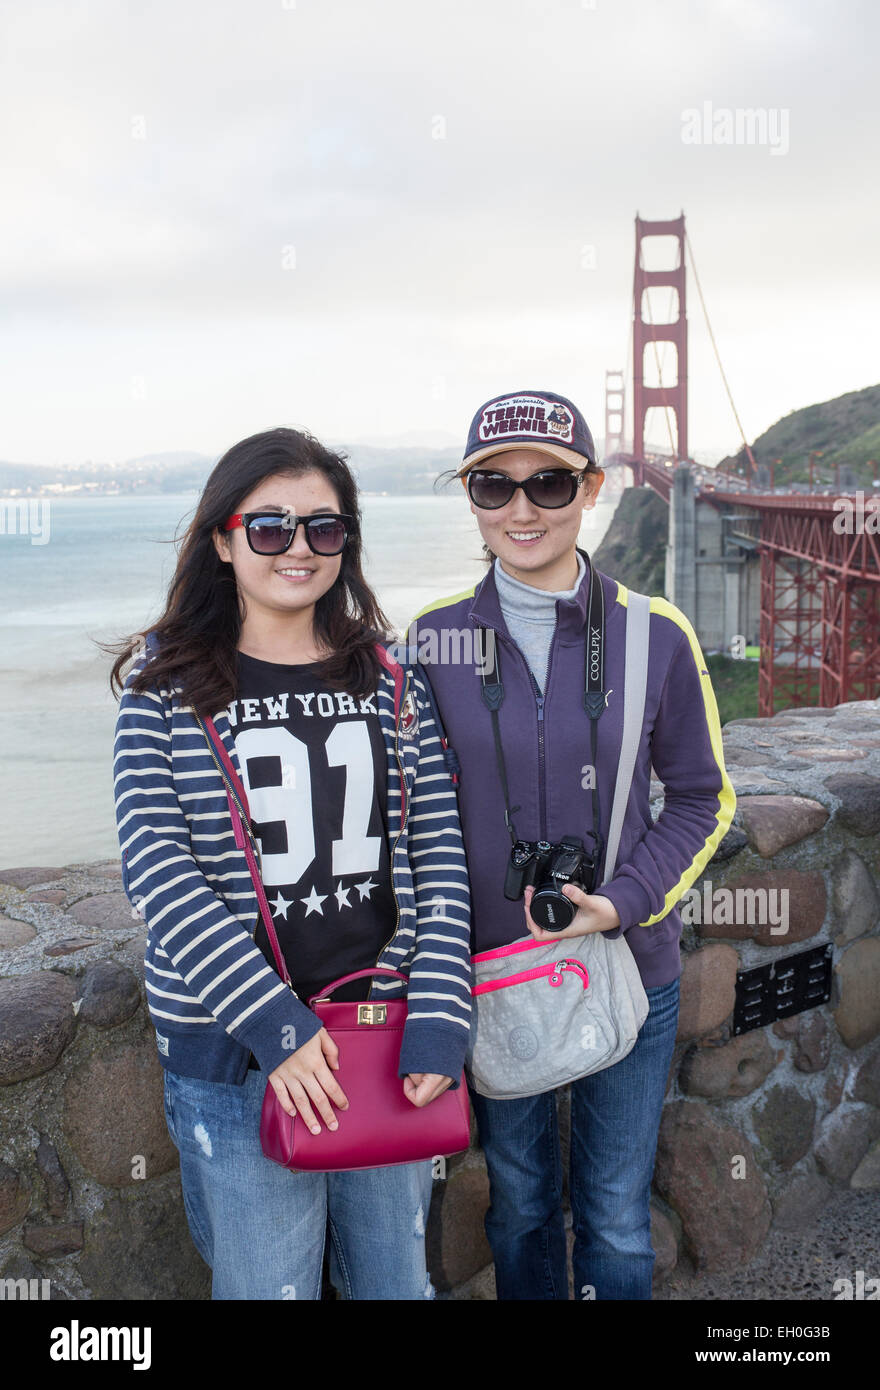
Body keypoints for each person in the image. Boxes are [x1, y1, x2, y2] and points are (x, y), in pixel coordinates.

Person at [110, 426, 472, 1300]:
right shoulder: (164, 691)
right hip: (238, 1060)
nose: (299, 548)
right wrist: (277, 1028)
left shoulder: (389, 678)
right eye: (270, 528)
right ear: (225, 540)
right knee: (267, 1288)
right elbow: (159, 873)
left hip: (383, 1043)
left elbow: (438, 852)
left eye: (325, 527)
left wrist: (440, 1014)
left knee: (396, 1284)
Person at [408, 389, 735, 1300]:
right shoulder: (431, 643)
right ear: (470, 498)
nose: (522, 509)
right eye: (492, 486)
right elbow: (411, 817)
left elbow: (703, 801)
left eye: (550, 483)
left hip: (631, 962)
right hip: (493, 973)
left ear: (591, 489)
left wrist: (623, 899)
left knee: (617, 1213)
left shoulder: (656, 636)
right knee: (516, 1204)